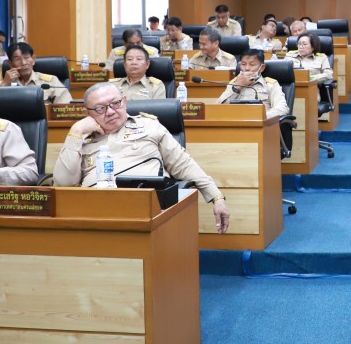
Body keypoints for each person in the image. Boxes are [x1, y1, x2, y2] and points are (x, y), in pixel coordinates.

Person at [53, 83, 230, 233]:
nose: (111, 112)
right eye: (100, 108)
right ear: (88, 113)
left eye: (115, 103)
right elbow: (63, 184)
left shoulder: (149, 126)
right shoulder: (80, 139)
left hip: (148, 209)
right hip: (96, 212)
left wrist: (217, 197)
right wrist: (76, 132)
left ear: (124, 101)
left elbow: (182, 164)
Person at [217, 50, 290, 119]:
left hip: (261, 124)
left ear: (262, 68)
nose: (246, 68)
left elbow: (282, 108)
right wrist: (237, 87)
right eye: (243, 64)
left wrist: (260, 116)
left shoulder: (270, 85)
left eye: (252, 65)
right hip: (236, 123)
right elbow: (218, 108)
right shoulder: (234, 83)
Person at [2, 42, 72, 104]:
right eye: (17, 59)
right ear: (10, 64)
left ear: (33, 59)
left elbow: (65, 107)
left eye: (26, 57)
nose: (23, 63)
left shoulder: (51, 81)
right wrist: (4, 84)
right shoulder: (6, 82)